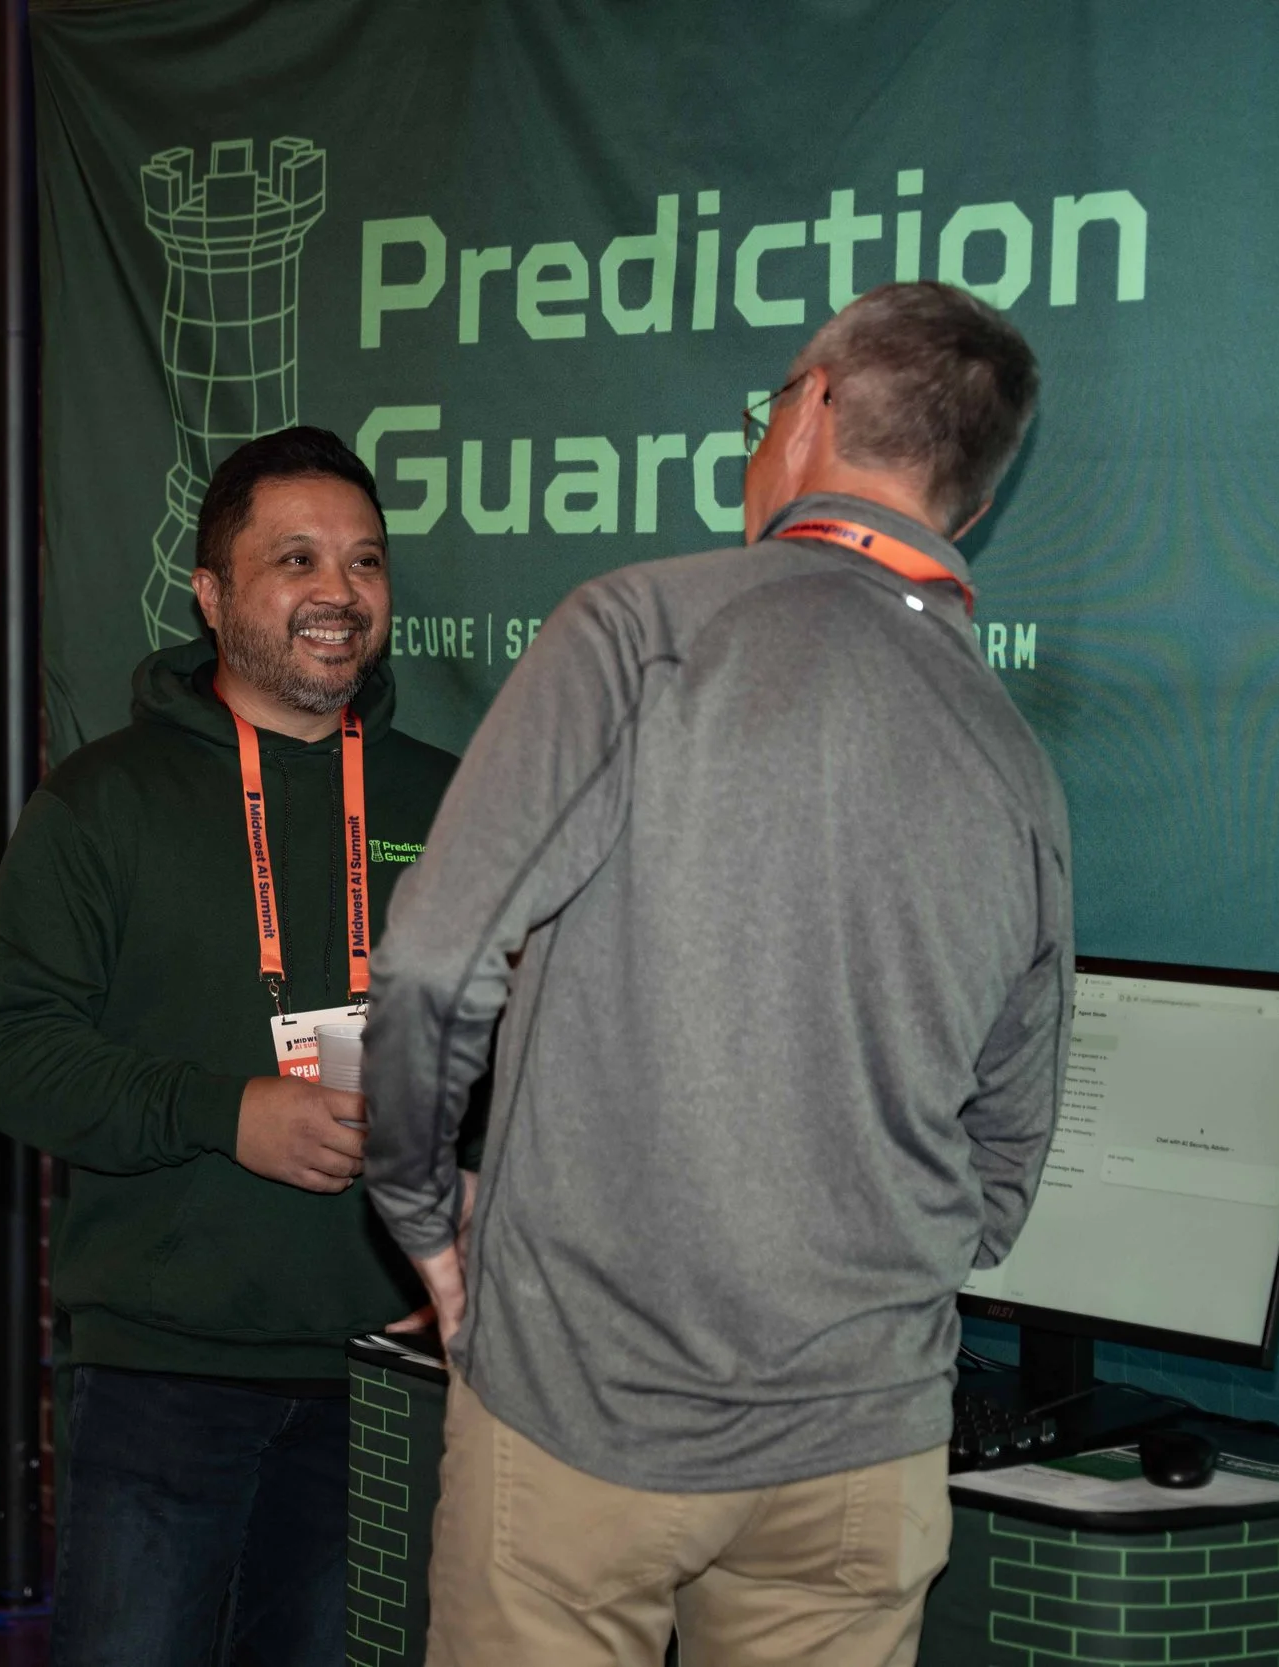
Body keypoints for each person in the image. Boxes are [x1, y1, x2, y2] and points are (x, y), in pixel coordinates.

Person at [362, 282, 1071, 1667]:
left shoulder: (638, 628)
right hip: (864, 1444)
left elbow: (437, 965)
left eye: (766, 412)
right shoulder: (1014, 757)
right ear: (973, 505)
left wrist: (423, 1217)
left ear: (810, 414)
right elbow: (1008, 1153)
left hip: (585, 1406)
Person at [0, 426, 468, 1665]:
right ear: (210, 593)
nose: (339, 591)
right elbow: (2, 1052)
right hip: (161, 1373)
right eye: (296, 559)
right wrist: (221, 1110)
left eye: (365, 560)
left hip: (382, 1369)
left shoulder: (454, 799)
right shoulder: (101, 801)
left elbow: (517, 1047)